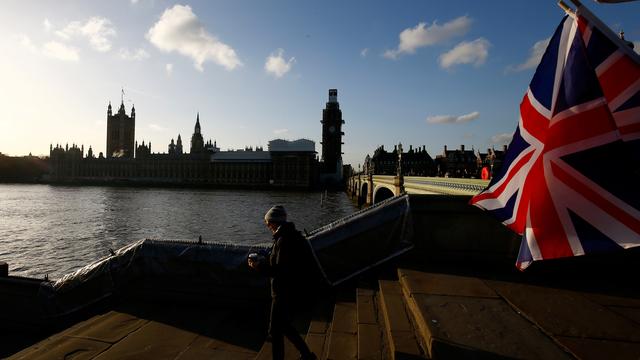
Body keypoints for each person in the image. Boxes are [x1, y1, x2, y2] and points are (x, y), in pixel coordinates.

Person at [248, 205, 317, 360]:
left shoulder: (283, 241)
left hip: (282, 292)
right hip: (290, 290)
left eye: (267, 223)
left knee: (275, 331)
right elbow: (283, 264)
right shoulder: (289, 236)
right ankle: (307, 355)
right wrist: (265, 260)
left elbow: (280, 271)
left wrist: (258, 266)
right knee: (284, 326)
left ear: (273, 222)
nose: (267, 226)